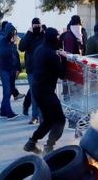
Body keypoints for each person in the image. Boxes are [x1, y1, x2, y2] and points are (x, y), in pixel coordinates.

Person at [23, 27, 67, 155]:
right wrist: (63, 59)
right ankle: (49, 146)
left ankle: (31, 142)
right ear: (53, 39)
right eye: (58, 37)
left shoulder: (40, 49)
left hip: (37, 90)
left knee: (48, 120)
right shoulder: (51, 54)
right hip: (46, 92)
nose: (59, 39)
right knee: (60, 119)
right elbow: (62, 75)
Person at [0, 21, 25, 102]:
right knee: (0, 77)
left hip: (0, 59)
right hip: (1, 60)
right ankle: (14, 94)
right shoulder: (2, 36)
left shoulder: (3, 35)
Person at [19, 18, 45, 124]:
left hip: (43, 69)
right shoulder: (28, 36)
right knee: (34, 94)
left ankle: (42, 116)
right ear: (31, 26)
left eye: (38, 25)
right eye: (34, 26)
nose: (36, 27)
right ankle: (35, 117)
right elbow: (21, 47)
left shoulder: (44, 35)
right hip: (31, 70)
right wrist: (29, 34)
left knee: (42, 94)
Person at [0, 22, 21, 120]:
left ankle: (3, 110)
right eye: (13, 33)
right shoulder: (2, 41)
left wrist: (18, 68)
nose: (14, 35)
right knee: (7, 91)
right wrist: (12, 43)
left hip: (12, 69)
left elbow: (16, 55)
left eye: (15, 33)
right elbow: (3, 53)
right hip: (4, 69)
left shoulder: (13, 44)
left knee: (9, 91)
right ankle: (9, 113)